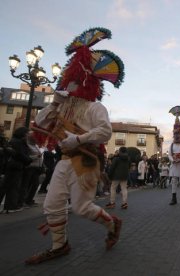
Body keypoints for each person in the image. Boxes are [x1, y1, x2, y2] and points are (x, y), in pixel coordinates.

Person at [25, 27, 124, 264]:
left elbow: (105, 131)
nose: (70, 85)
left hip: (86, 161)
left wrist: (78, 139)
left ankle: (112, 224)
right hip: (65, 160)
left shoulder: (95, 108)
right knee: (51, 204)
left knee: (81, 208)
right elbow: (38, 125)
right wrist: (53, 104)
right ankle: (60, 245)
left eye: (74, 80)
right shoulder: (62, 106)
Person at [0, 127, 32, 213]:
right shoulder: (18, 142)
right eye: (27, 133)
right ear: (23, 134)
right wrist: (29, 159)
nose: (28, 135)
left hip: (12, 166)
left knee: (7, 186)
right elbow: (19, 155)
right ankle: (10, 207)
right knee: (12, 187)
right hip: (15, 166)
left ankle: (9, 206)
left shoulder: (14, 141)